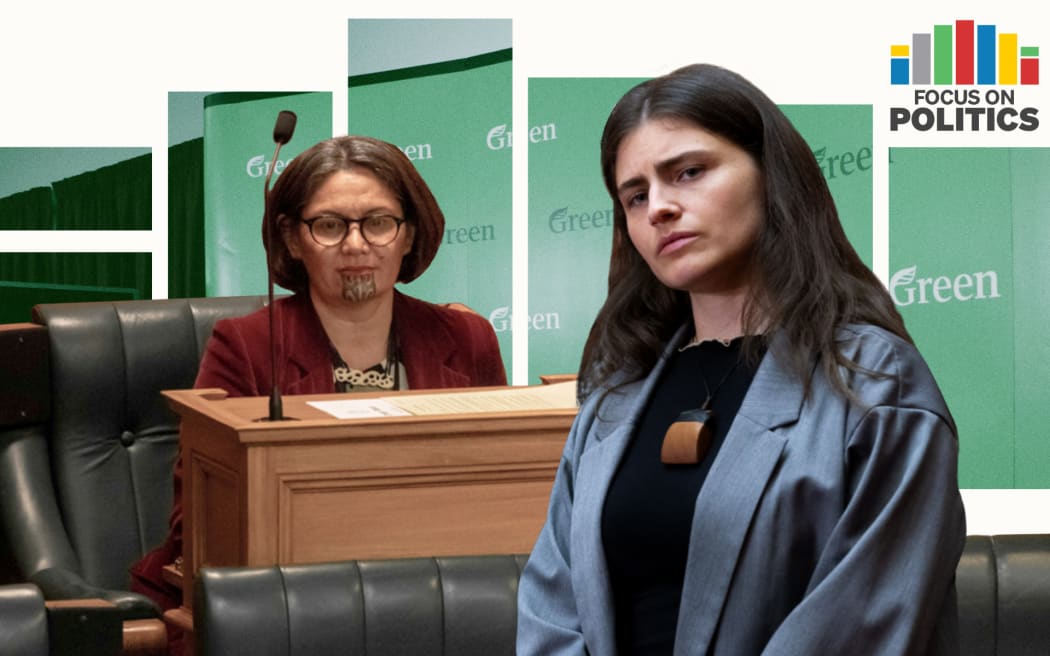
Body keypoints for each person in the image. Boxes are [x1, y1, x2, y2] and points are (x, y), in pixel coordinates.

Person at [517, 64, 965, 655]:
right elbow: (553, 608)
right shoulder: (615, 393)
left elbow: (862, 625)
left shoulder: (876, 383)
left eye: (689, 172)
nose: (659, 208)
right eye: (636, 194)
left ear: (770, 175)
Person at [129, 135, 507, 628]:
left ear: (409, 235)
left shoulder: (466, 337)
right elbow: (197, 522)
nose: (356, 245)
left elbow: (501, 489)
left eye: (378, 223)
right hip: (288, 604)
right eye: (329, 226)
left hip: (439, 599)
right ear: (292, 239)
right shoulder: (244, 345)